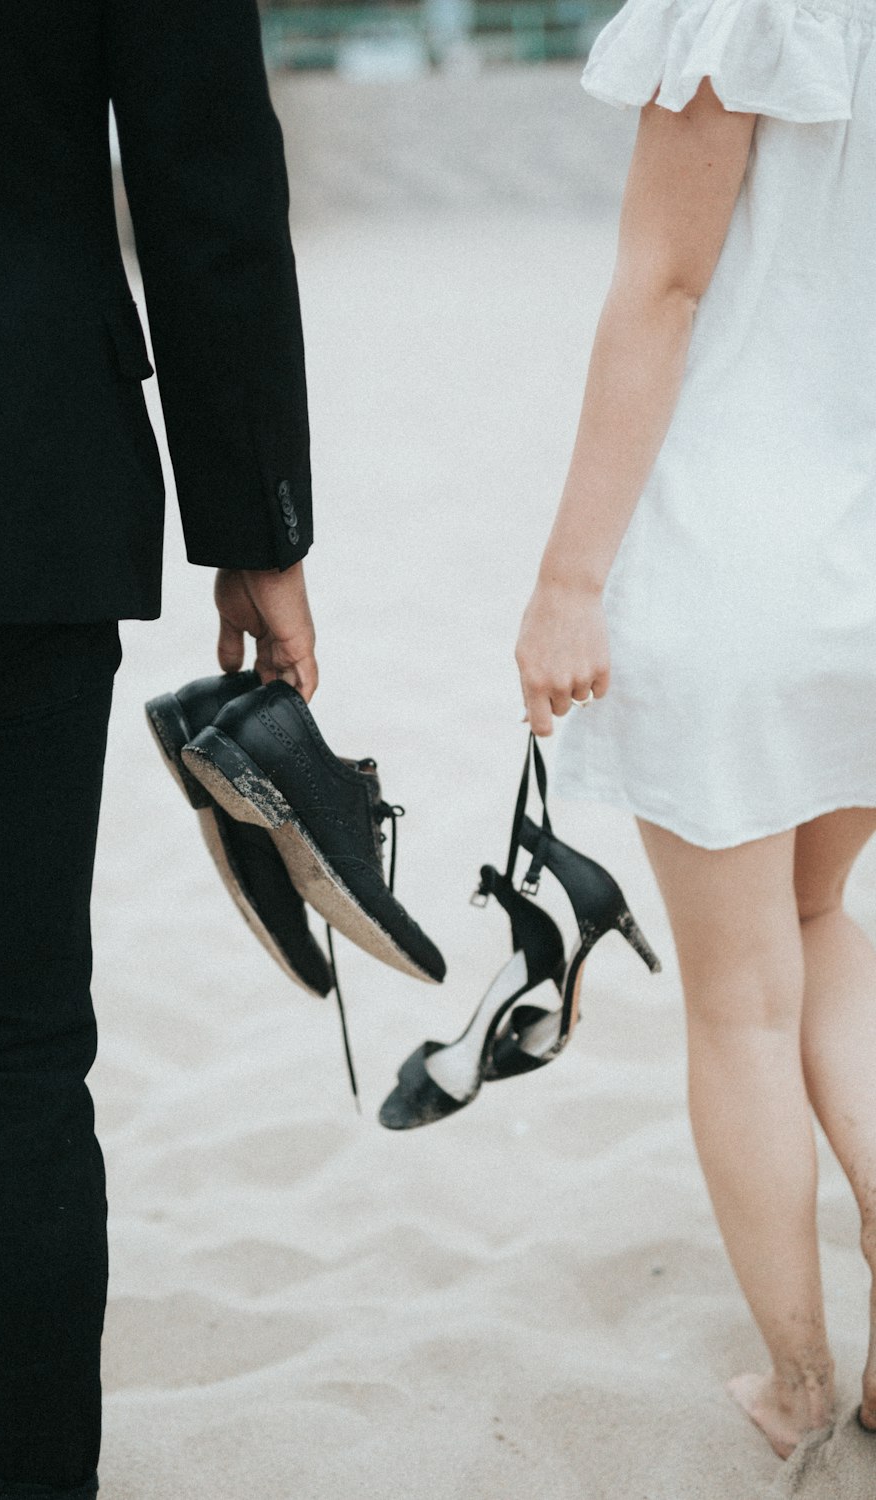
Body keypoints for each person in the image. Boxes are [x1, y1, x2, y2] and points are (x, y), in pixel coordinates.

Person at [0, 4, 316, 1497]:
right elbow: (208, 178)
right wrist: (256, 532)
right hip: (10, 487)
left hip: (15, 502)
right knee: (5, 1061)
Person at [515, 0, 876, 1462]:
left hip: (740, 551)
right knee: (819, 916)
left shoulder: (737, 5)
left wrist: (565, 581)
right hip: (867, 552)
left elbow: (663, 287)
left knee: (741, 999)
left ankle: (797, 1382)